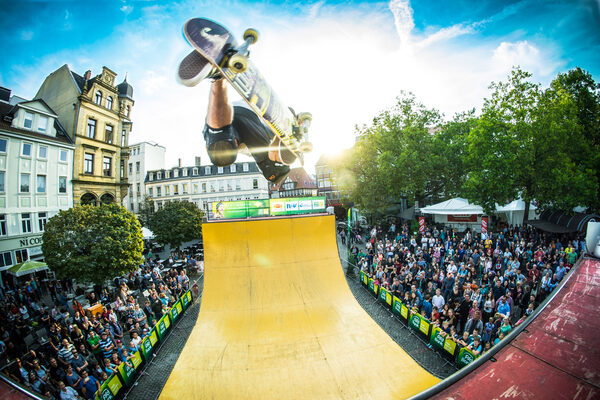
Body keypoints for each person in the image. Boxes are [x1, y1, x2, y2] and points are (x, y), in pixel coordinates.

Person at [199, 75, 305, 184]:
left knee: (222, 151)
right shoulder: (259, 143)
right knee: (273, 171)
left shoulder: (255, 148)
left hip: (242, 114)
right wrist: (295, 126)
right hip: (245, 114)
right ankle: (218, 82)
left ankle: (217, 78)